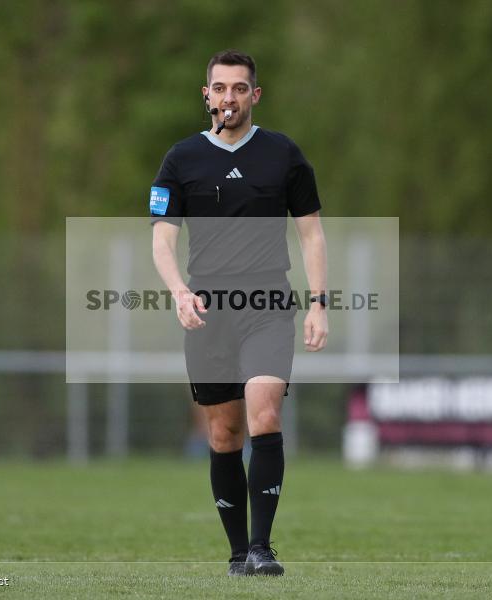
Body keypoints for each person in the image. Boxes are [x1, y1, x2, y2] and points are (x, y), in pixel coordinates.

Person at [150, 49, 328, 576]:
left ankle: (262, 548)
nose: (229, 97)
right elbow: (162, 239)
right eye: (220, 88)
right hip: (209, 311)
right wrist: (180, 291)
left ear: (256, 94)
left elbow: (311, 232)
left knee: (264, 413)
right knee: (224, 434)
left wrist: (319, 301)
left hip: (269, 304)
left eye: (239, 88)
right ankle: (236, 554)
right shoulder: (181, 159)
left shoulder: (283, 155)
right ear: (206, 95)